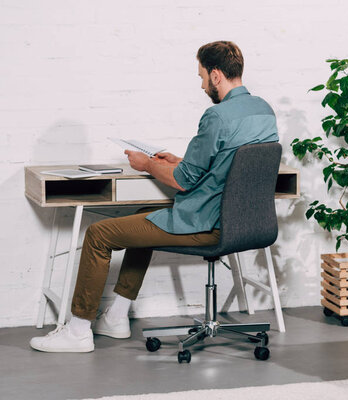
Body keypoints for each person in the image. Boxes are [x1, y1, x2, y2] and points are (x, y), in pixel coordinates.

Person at [30, 41, 279, 352]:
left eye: (202, 77)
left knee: (97, 234)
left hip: (207, 225)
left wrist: (146, 164)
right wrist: (178, 160)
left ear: (216, 76)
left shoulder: (217, 116)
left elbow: (183, 181)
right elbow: (225, 166)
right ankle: (117, 316)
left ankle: (78, 331)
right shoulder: (264, 111)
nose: (202, 85)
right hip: (246, 224)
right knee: (148, 213)